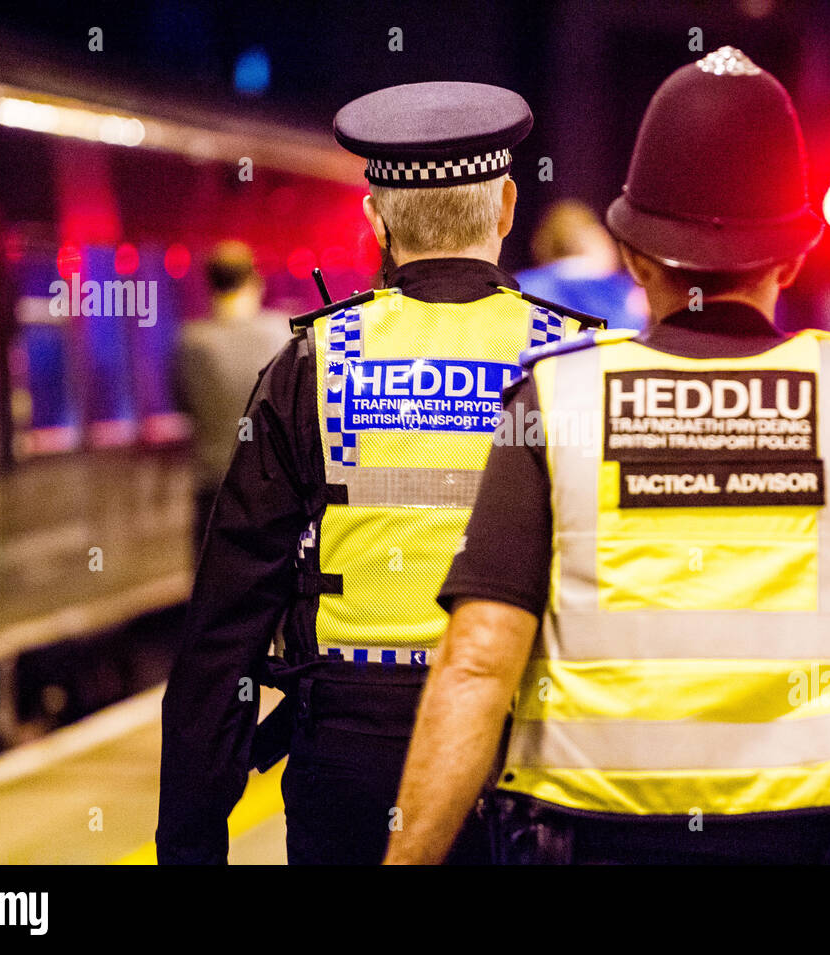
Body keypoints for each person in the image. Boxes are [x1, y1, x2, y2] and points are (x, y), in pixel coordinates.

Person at [385, 48, 830, 865]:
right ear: (793, 257)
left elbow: (477, 664)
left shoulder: (557, 403)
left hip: (591, 845)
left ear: (632, 256)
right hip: (821, 844)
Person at [156, 81, 601, 865]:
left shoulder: (311, 363)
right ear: (504, 208)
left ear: (375, 219)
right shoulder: (577, 361)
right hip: (536, 754)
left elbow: (222, 631)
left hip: (351, 760)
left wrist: (191, 842)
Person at [173, 241, 289, 558]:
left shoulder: (191, 341)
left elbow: (184, 404)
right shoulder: (281, 333)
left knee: (214, 594)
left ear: (210, 284)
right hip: (273, 489)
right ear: (255, 281)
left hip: (214, 487)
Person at [516, 200, 647, 331]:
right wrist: (637, 312)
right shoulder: (616, 292)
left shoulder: (522, 284)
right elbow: (621, 335)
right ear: (593, 239)